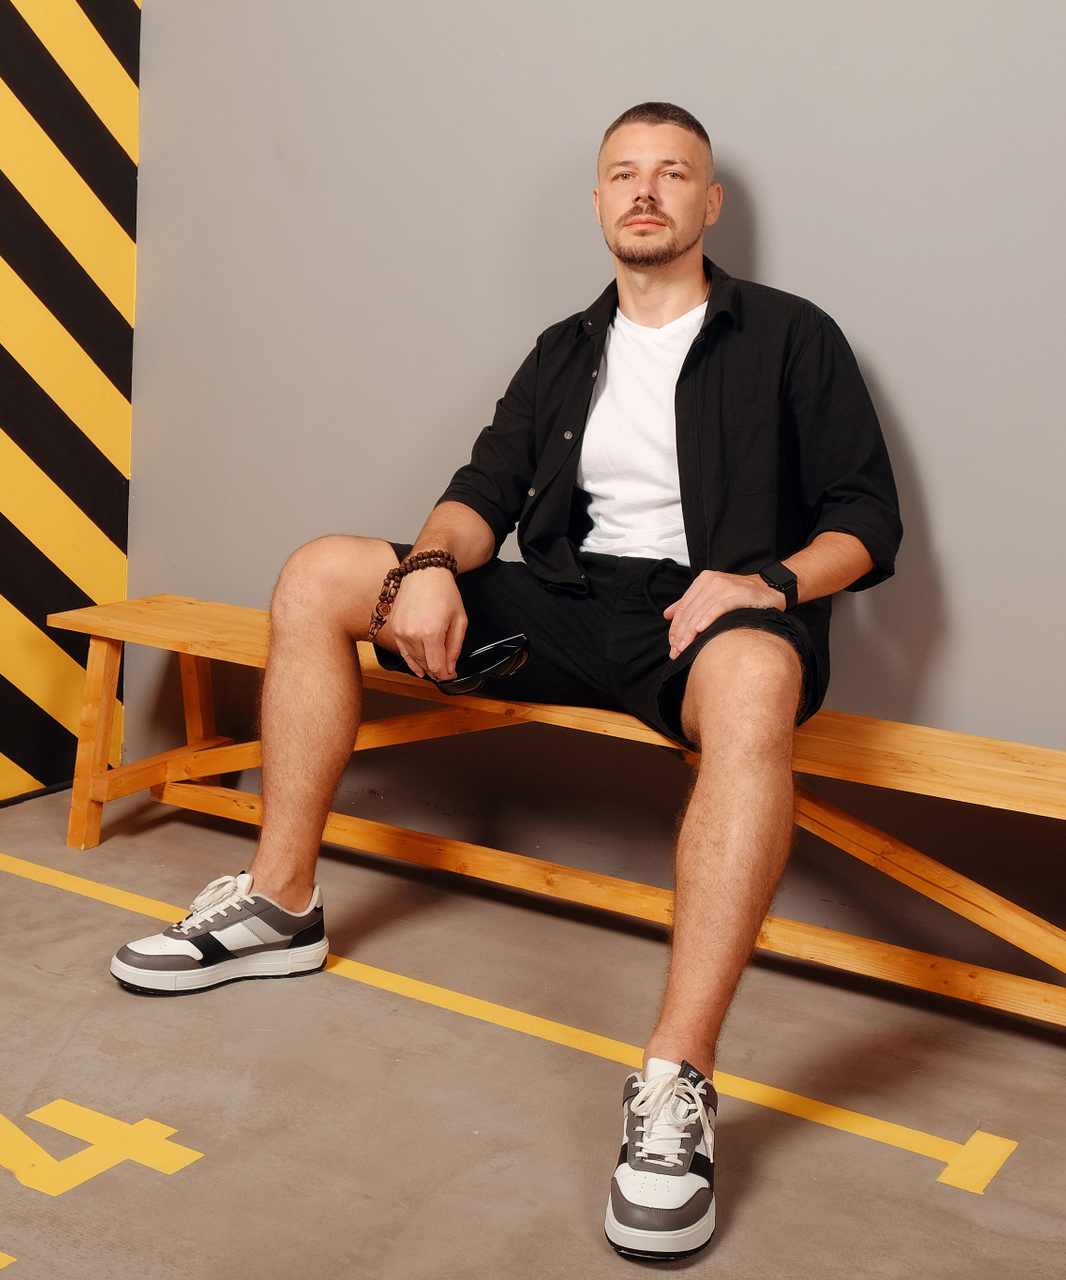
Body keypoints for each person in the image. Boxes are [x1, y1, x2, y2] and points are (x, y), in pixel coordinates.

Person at [109, 101, 901, 1261]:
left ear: (709, 201)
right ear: (599, 201)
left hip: (710, 616)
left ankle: (675, 1085)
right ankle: (280, 903)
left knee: (750, 686)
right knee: (321, 573)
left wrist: (766, 584)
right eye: (623, 173)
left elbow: (868, 521)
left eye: (672, 173)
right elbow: (484, 490)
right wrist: (430, 565)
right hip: (570, 603)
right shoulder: (566, 349)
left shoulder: (791, 334)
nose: (645, 192)